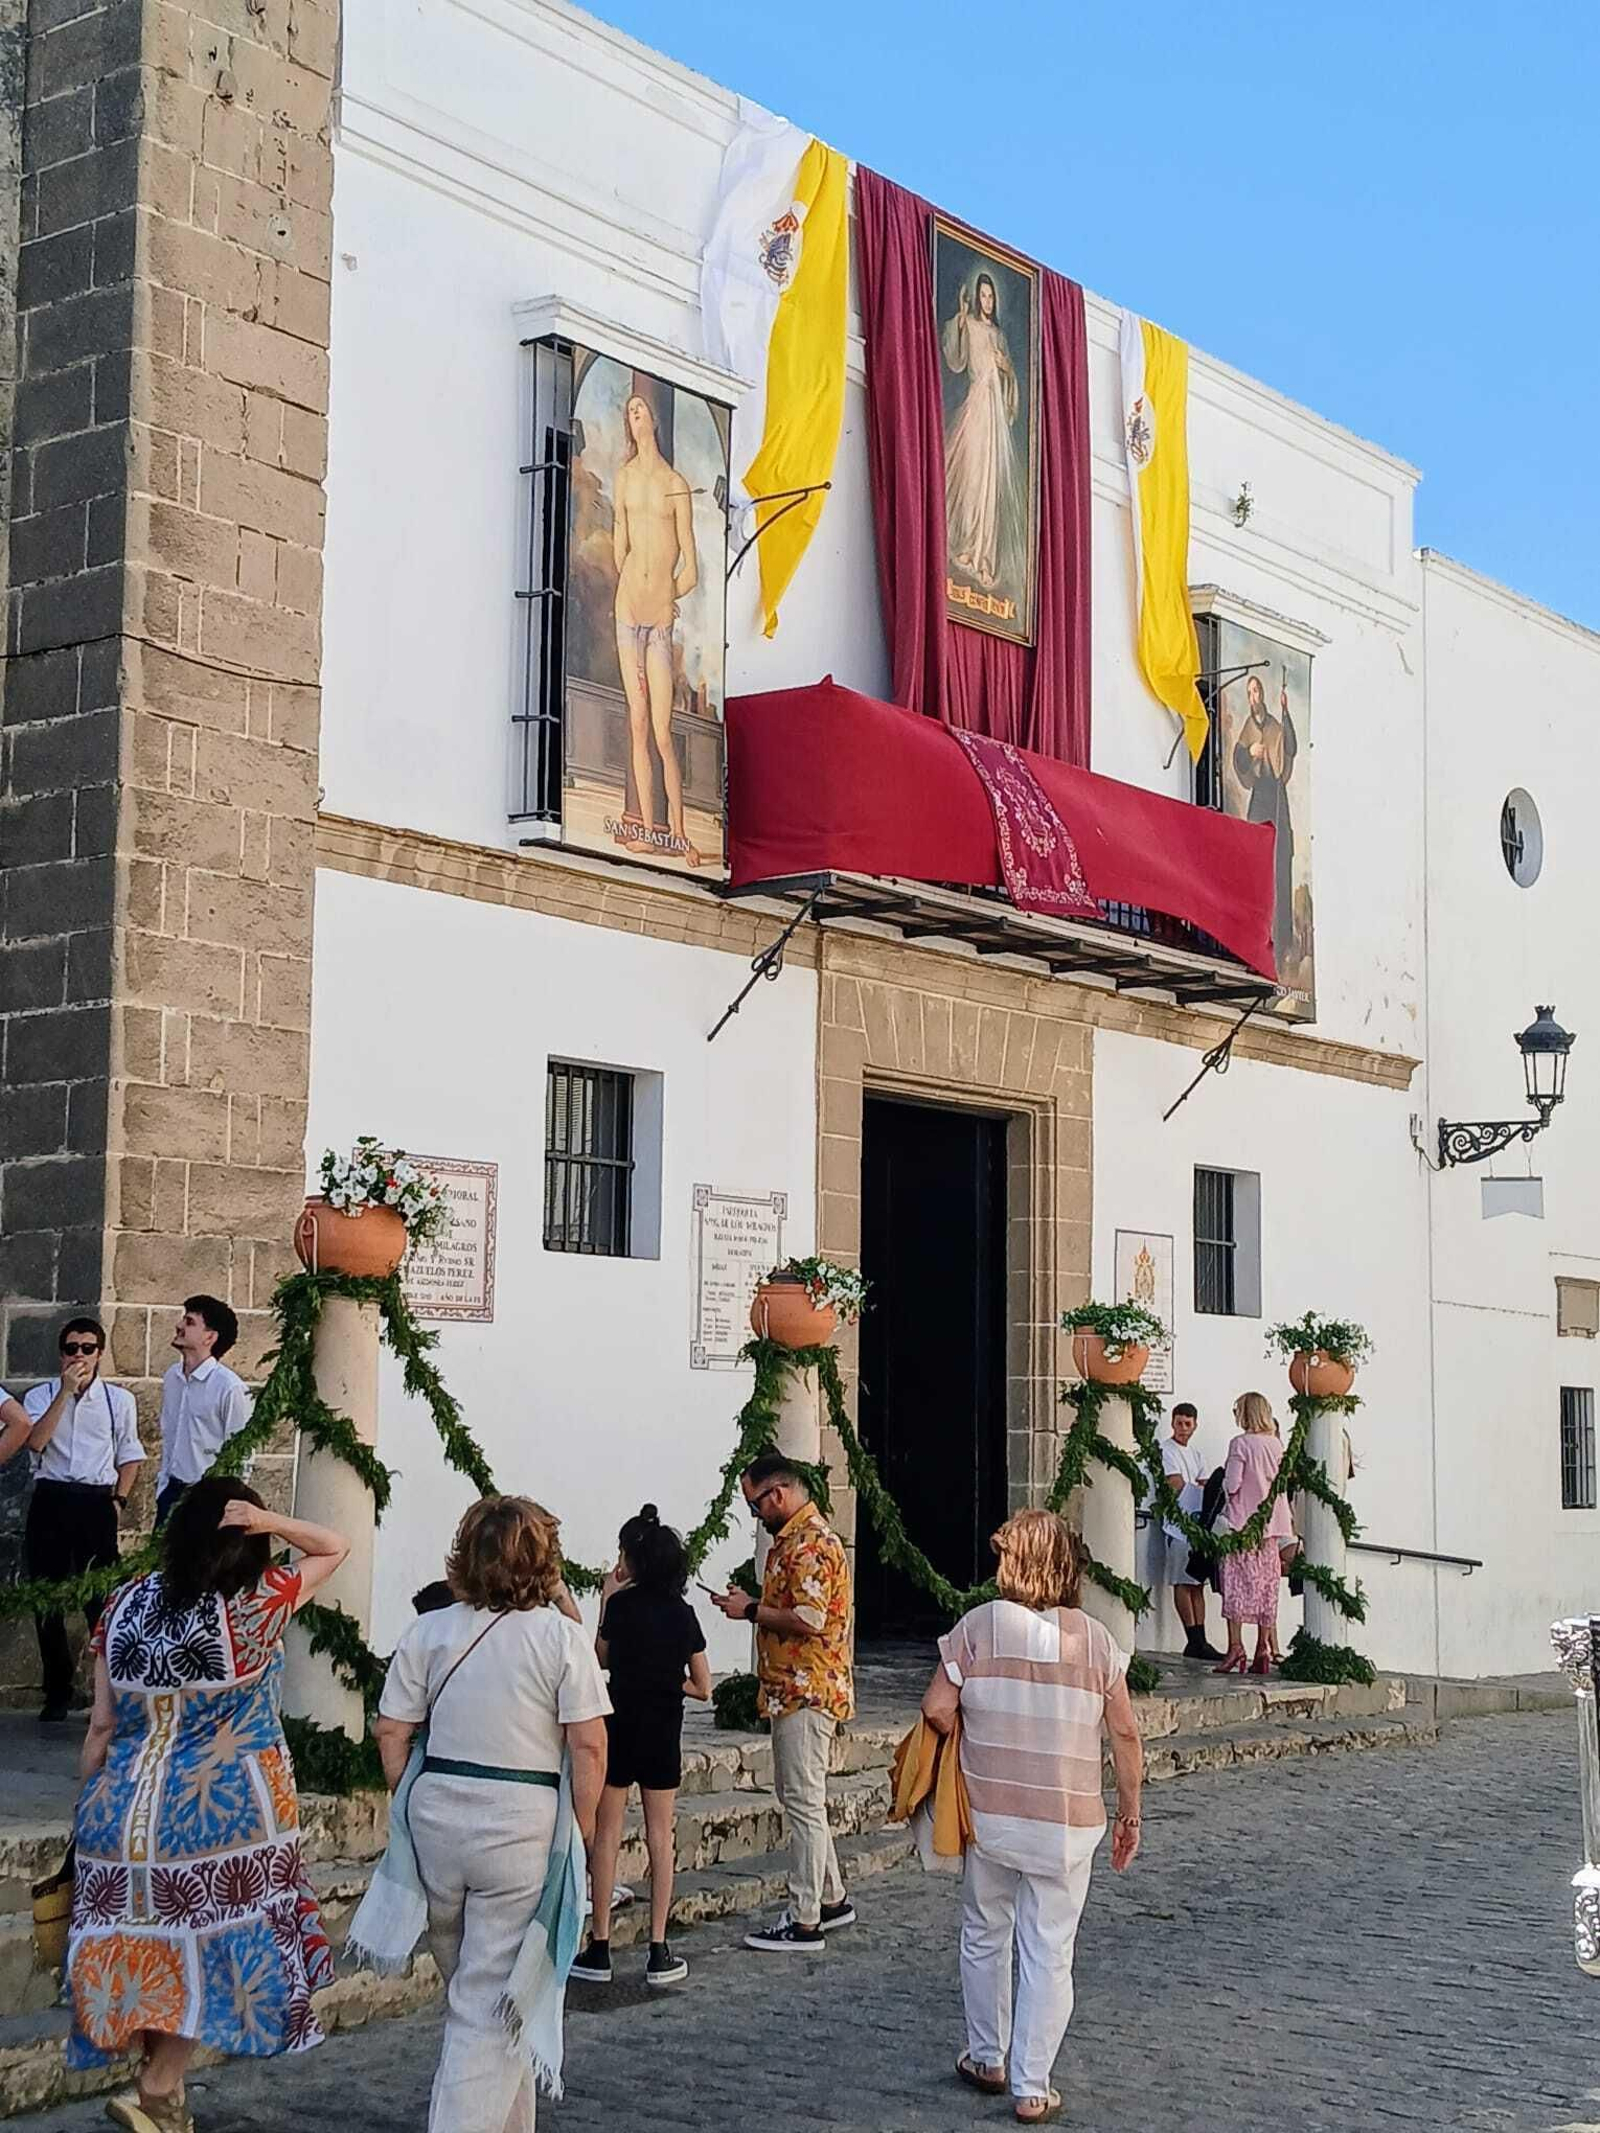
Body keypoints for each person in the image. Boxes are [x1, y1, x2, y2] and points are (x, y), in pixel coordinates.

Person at [65, 1477, 348, 2133]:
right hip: (224, 1818)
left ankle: (163, 2101)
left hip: (123, 1813)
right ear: (246, 1537)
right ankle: (158, 2086)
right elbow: (335, 1546)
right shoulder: (255, 1604)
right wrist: (269, 1516)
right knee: (211, 1961)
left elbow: (101, 1725)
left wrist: (87, 1815)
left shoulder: (123, 1603)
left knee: (157, 1955)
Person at [373, 1497, 610, 2133]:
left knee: (477, 1993)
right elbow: (588, 1745)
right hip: (520, 1825)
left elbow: (391, 1731)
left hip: (437, 1822)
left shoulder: (429, 1631)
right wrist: (582, 1831)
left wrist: (411, 1801)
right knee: (488, 2004)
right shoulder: (561, 1639)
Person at [921, 1511, 1143, 2125]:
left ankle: (987, 2055)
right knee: (1051, 1950)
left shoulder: (979, 1627)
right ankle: (1033, 2086)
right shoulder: (1096, 1641)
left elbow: (937, 1708)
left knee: (985, 1929)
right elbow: (1124, 1731)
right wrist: (1130, 1812)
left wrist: (981, 1736)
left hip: (992, 1813)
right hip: (1068, 1820)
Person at [712, 1451, 856, 1952]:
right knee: (805, 1797)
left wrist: (751, 1609)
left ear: (777, 1494)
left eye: (755, 1505)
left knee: (802, 1803)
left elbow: (811, 1619)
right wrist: (750, 1605)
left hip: (806, 1689)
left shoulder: (811, 1544)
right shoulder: (794, 1542)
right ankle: (832, 1898)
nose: (756, 1515)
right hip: (792, 1687)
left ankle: (804, 1917)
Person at [572, 1505, 710, 1988]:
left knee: (608, 1834)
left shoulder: (623, 1609)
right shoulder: (682, 1614)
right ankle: (658, 1946)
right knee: (660, 1835)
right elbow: (703, 1685)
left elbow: (599, 1659)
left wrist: (607, 1602)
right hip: (662, 1729)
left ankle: (601, 1944)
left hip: (620, 1725)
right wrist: (668, 1681)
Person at [21, 1317, 144, 1723]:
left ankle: (113, 1692)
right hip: (52, 1498)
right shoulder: (41, 1396)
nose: (79, 1355)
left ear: (100, 1353)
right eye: (72, 1348)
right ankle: (57, 1690)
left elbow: (130, 1454)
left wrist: (118, 1501)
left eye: (87, 1348)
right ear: (62, 1354)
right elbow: (36, 1441)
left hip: (95, 1501)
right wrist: (65, 1393)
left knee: (102, 1599)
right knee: (47, 1596)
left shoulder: (118, 1401)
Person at [612, 392, 700, 866]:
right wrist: (627, 588)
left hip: (659, 618)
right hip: (628, 612)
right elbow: (618, 544)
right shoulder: (624, 479)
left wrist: (671, 596)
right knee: (638, 721)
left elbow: (691, 565)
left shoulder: (675, 484)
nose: (635, 414)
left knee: (663, 731)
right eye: (629, 410)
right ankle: (647, 828)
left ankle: (680, 832)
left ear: (655, 419)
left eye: (641, 407)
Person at [942, 268, 1024, 597]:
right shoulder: (971, 325)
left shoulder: (999, 336)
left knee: (991, 485)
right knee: (971, 474)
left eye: (991, 296)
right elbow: (956, 360)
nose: (987, 301)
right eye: (983, 295)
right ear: (976, 296)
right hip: (977, 405)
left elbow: (1009, 383)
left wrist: (1008, 372)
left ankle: (984, 557)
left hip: (995, 416)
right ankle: (964, 543)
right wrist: (961, 321)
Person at [1214, 1393, 1295, 1676]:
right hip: (1271, 1526)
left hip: (1242, 1524)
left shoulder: (1240, 1444)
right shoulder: (1277, 1445)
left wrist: (1224, 1484)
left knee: (1235, 1583)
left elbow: (1233, 1483)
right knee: (1266, 1586)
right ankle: (1263, 1646)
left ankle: (1235, 1646)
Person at [154, 1297, 251, 1526]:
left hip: (210, 1497)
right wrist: (163, 1487)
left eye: (189, 1322)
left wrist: (228, 1503)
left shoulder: (230, 1388)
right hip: (172, 1492)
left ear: (210, 1337)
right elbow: (169, 1436)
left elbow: (242, 1451)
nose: (179, 1325)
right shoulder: (172, 1377)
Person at [1231, 671, 1299, 972]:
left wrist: (1285, 711)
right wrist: (1249, 751)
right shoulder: (1247, 729)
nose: (1253, 697)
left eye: (1256, 691)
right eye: (1249, 692)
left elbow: (1291, 747)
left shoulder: (1274, 725)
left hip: (1276, 796)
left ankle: (1281, 941)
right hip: (1259, 797)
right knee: (1254, 862)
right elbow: (1238, 758)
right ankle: (1257, 939)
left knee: (1281, 862)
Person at [1158, 1401, 1222, 1662]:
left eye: (1188, 1424)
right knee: (1183, 1581)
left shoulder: (1196, 1455)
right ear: (1172, 1423)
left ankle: (1201, 1638)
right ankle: (1191, 1637)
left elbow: (1205, 1483)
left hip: (1198, 1526)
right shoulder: (1166, 1450)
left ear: (1195, 1425)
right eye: (1179, 1423)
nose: (1183, 1428)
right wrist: (1195, 1486)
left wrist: (1197, 1485)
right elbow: (1176, 1484)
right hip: (1178, 1526)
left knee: (1197, 1583)